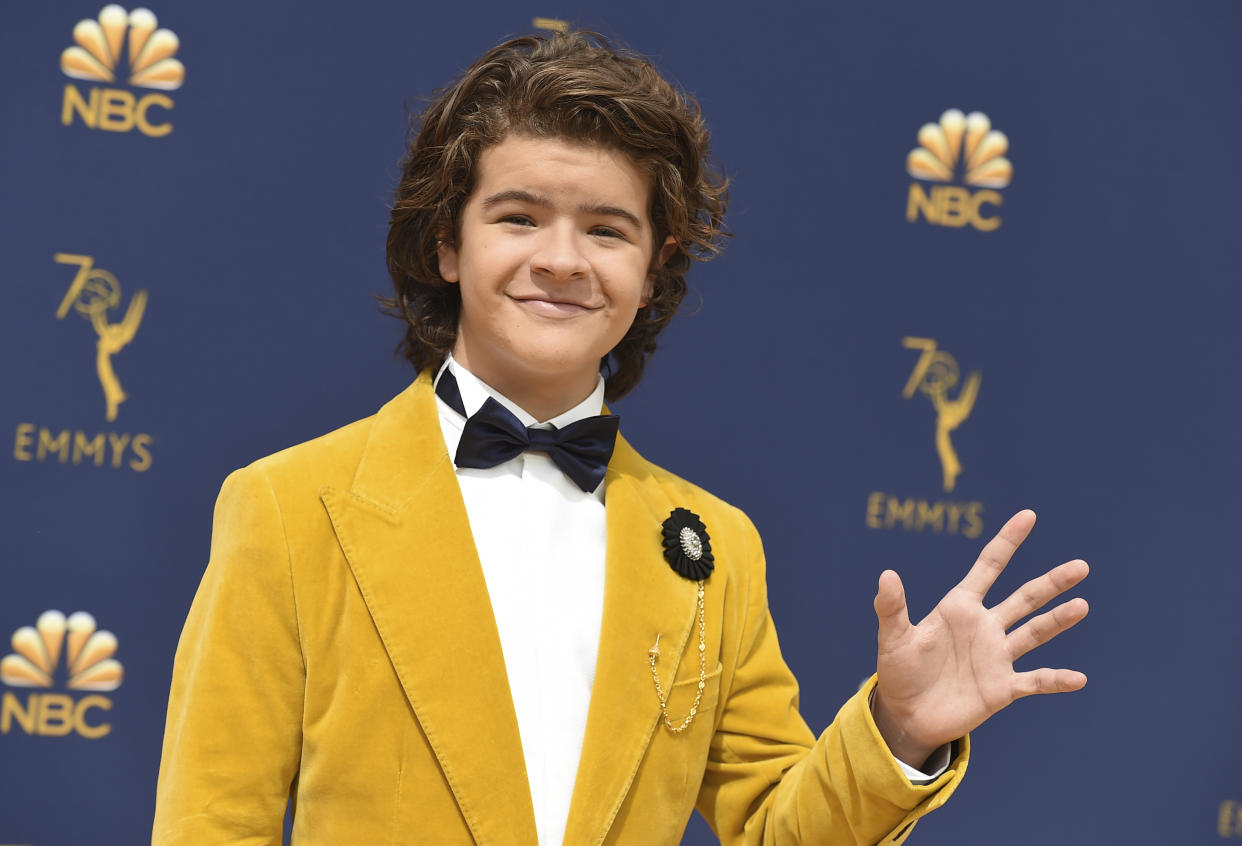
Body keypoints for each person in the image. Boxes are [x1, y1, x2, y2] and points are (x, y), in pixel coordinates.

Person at [152, 30, 1089, 846]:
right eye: (518, 217)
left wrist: (895, 730)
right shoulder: (287, 508)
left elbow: (775, 828)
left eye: (607, 230)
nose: (560, 260)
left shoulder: (715, 547)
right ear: (448, 243)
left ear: (654, 268)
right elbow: (211, 825)